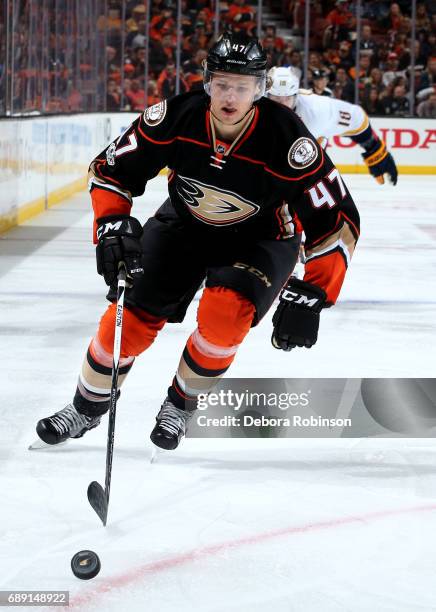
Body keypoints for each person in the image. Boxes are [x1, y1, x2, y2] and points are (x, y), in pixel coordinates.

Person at [36, 33, 360, 451]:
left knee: (225, 318)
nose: (230, 95)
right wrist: (113, 223)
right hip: (184, 225)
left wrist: (316, 289)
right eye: (223, 83)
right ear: (208, 81)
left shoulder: (289, 141)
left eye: (242, 87)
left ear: (259, 89)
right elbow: (111, 170)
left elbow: (337, 218)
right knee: (127, 321)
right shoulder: (174, 117)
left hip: (260, 238)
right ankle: (86, 408)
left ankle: (180, 404)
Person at [266, 66, 398, 185]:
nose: (282, 105)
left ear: (296, 96)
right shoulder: (251, 106)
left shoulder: (317, 111)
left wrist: (374, 148)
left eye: (287, 98)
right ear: (264, 96)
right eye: (276, 98)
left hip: (307, 167)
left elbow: (355, 116)